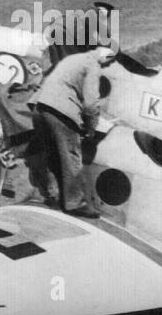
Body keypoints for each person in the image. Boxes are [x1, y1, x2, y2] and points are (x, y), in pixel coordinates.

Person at [29, 46, 113, 218]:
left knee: (52, 155)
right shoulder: (93, 65)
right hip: (60, 111)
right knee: (72, 156)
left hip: (40, 106)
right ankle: (75, 204)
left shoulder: (72, 59)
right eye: (108, 63)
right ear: (106, 58)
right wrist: (90, 128)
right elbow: (91, 103)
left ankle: (53, 196)